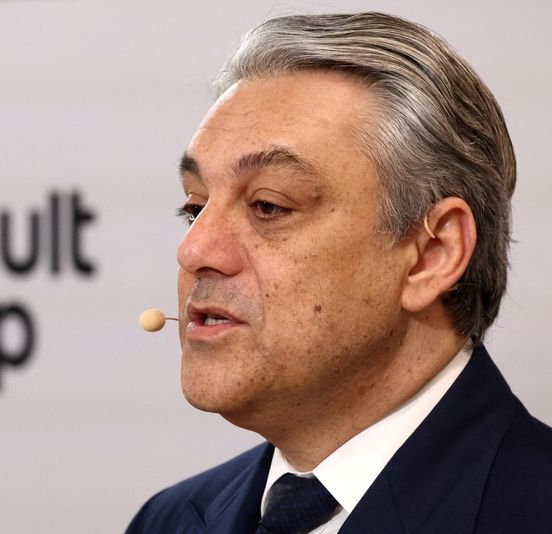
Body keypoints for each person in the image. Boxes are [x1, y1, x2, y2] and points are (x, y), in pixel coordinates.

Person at [127, 12, 552, 534]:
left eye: (268, 206)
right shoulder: (167, 521)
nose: (192, 250)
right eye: (194, 208)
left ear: (432, 254)